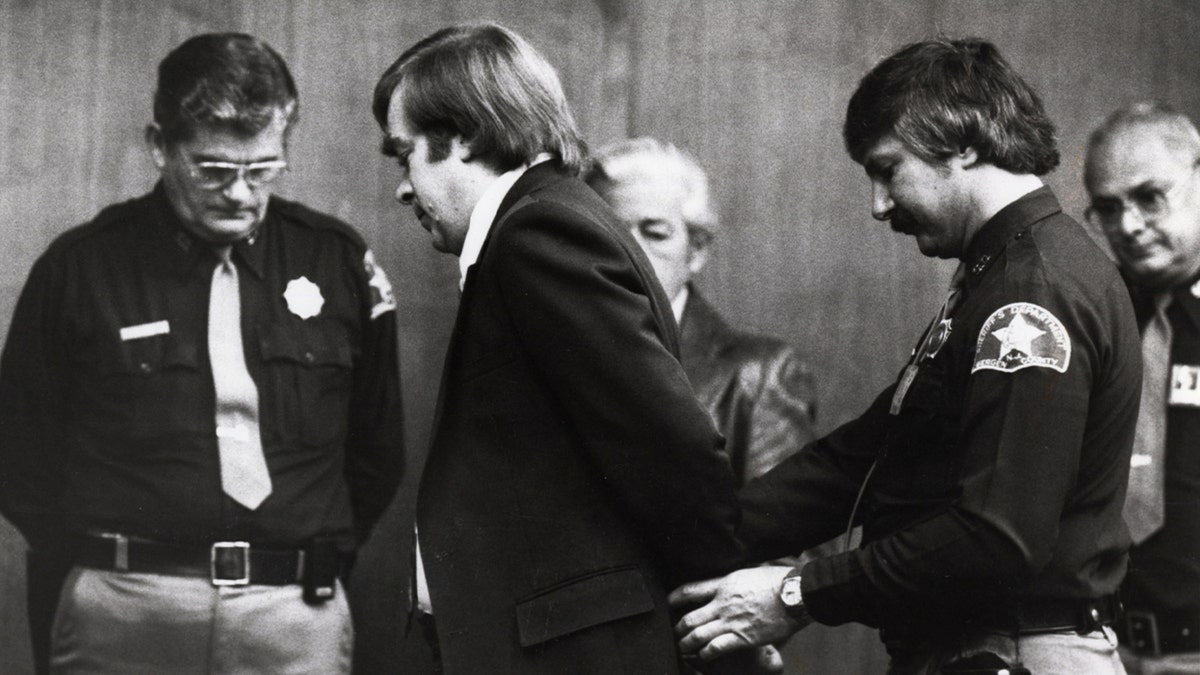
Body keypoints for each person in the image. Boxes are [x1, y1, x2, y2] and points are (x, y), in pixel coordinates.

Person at [669, 37, 1142, 674]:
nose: (879, 205)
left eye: (889, 169)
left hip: (1018, 650)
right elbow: (867, 456)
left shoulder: (1030, 296)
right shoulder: (999, 275)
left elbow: (998, 539)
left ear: (965, 142)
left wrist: (798, 592)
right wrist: (687, 536)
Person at [0, 33, 405, 674]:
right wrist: (113, 570)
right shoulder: (81, 269)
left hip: (293, 615)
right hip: (126, 608)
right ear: (160, 146)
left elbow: (377, 448)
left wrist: (303, 556)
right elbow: (19, 454)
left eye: (263, 169)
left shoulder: (336, 262)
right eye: (214, 170)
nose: (241, 195)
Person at [372, 23, 748, 675]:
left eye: (404, 155)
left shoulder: (538, 232)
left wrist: (726, 625)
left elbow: (671, 443)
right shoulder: (537, 225)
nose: (403, 187)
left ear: (462, 136)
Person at [585, 138, 818, 485]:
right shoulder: (548, 355)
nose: (629, 254)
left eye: (656, 234)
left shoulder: (759, 376)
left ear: (696, 251)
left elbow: (791, 533)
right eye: (608, 233)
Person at [1084, 102, 1200, 674]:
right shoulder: (1092, 321)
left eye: (1149, 197)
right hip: (1101, 649)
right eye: (1107, 208)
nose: (1127, 226)